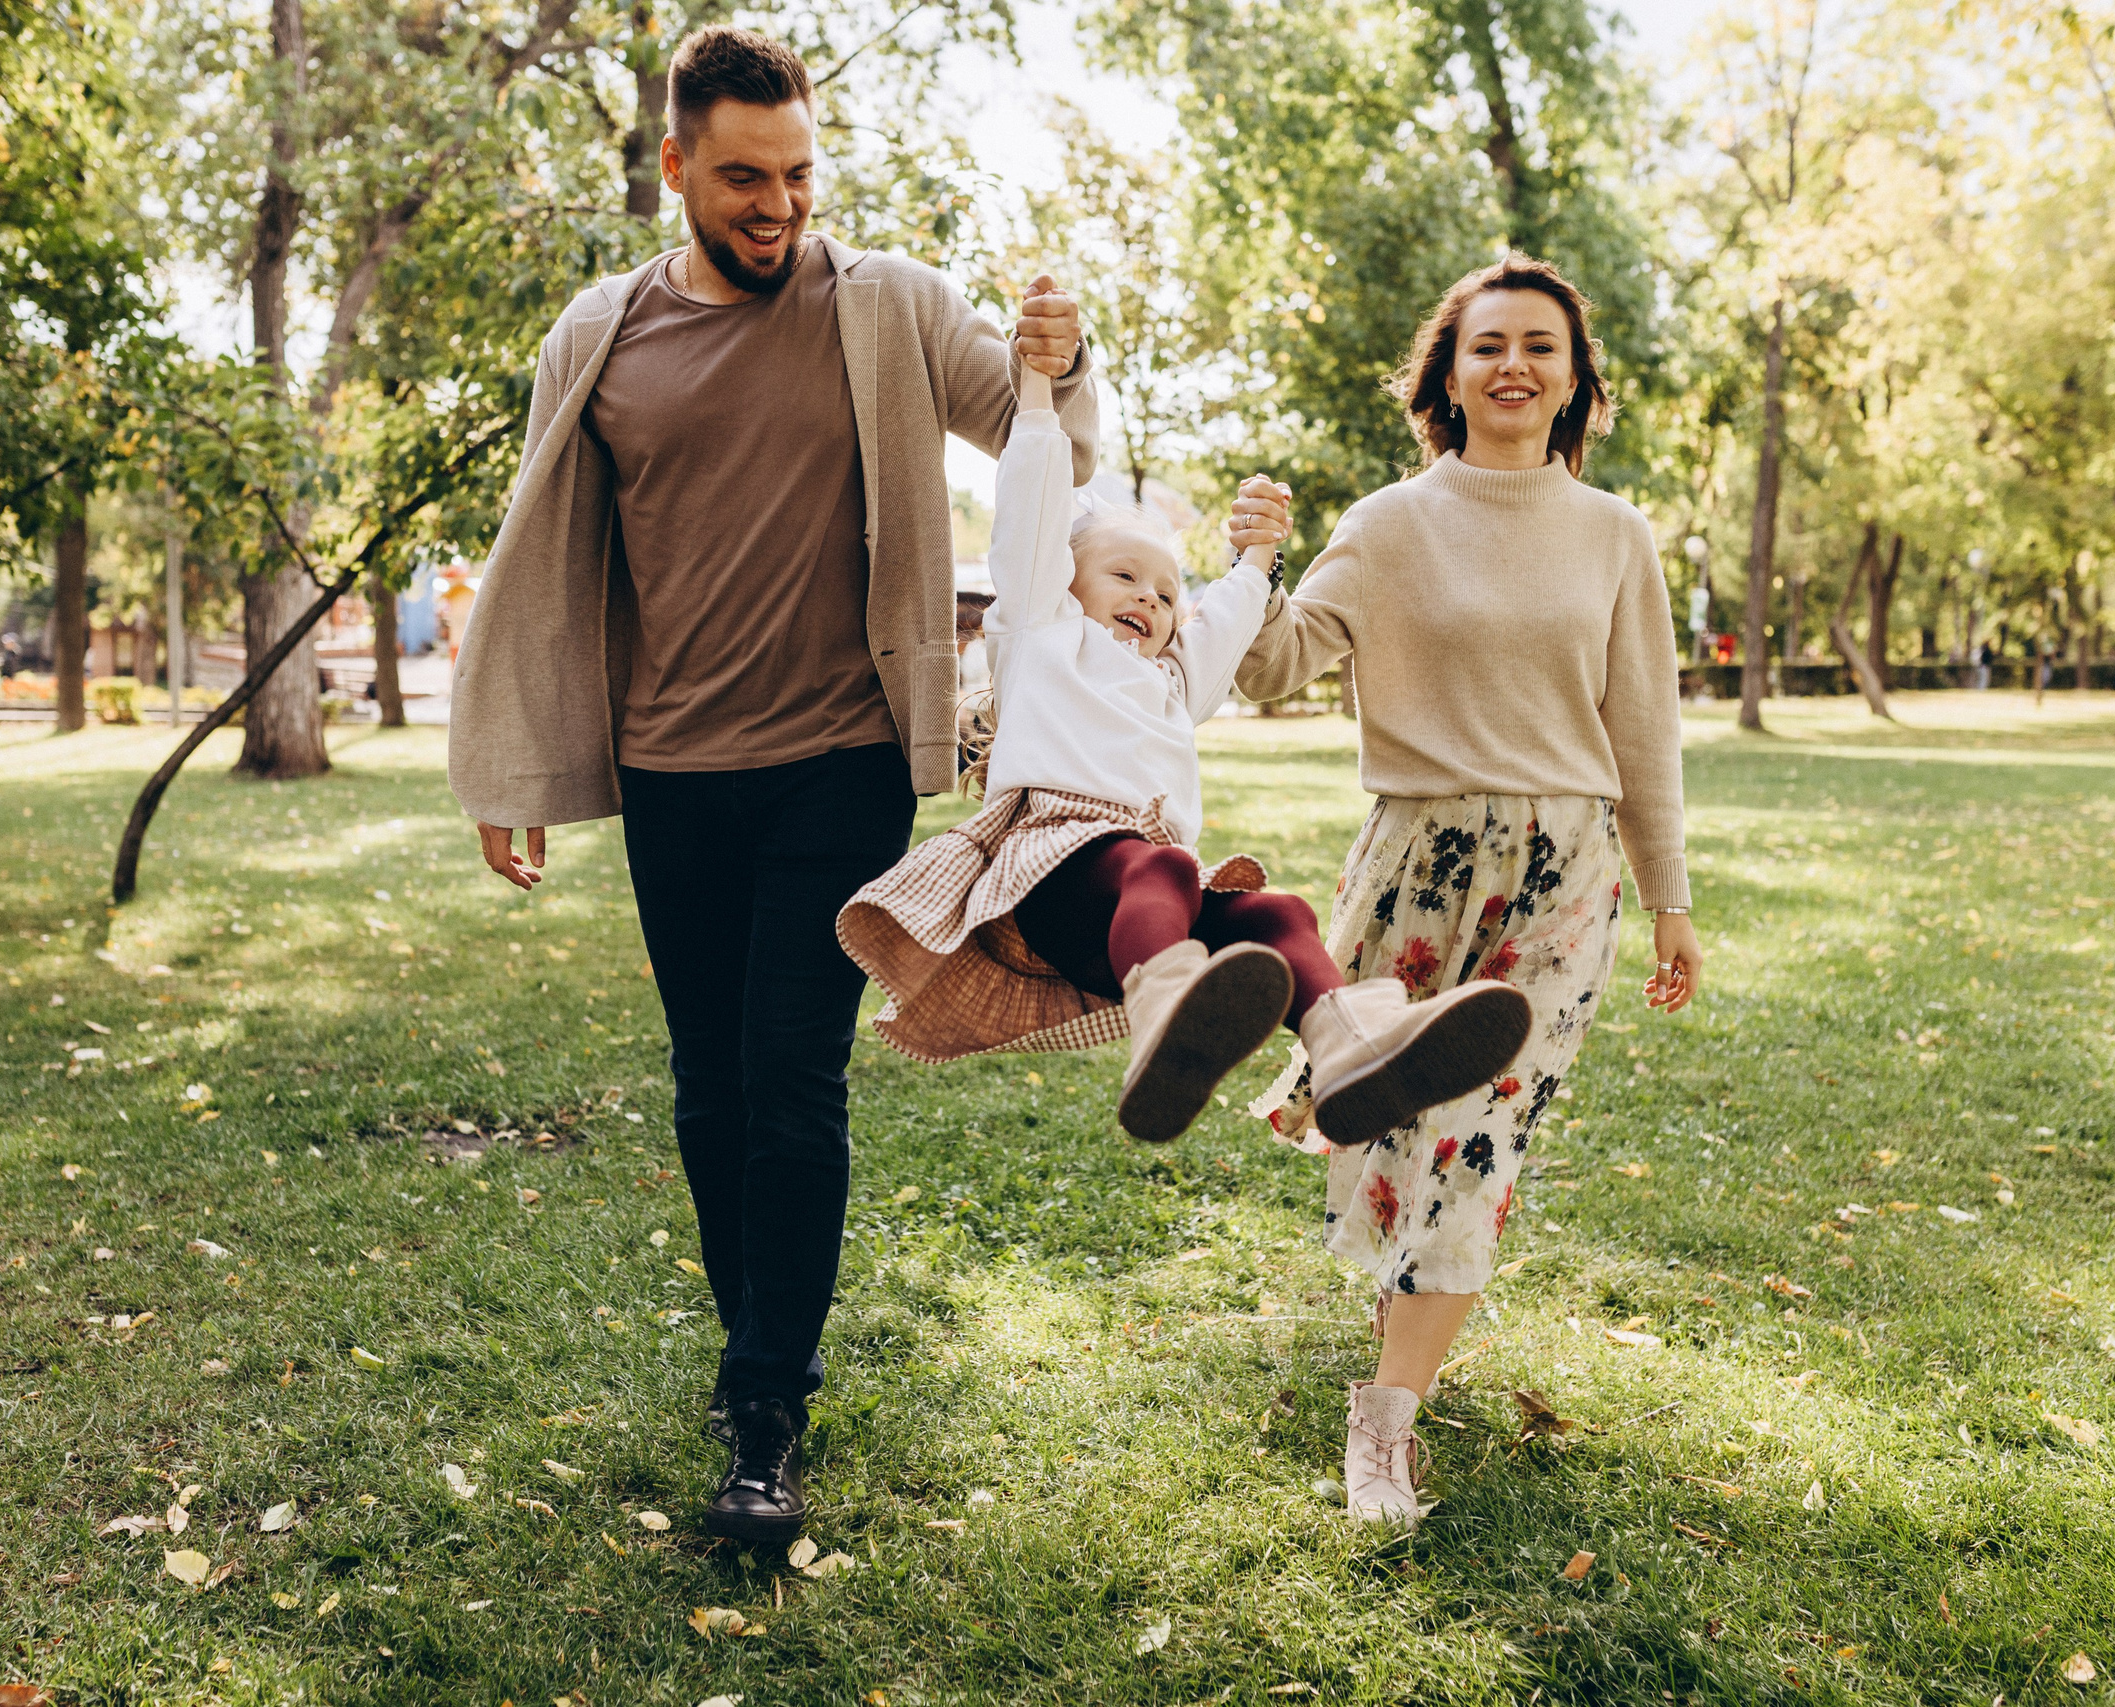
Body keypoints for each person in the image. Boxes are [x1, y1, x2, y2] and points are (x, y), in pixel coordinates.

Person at [448, 25, 1096, 1545]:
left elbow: (1043, 442)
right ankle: (767, 1355)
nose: (778, 204)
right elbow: (544, 561)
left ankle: (761, 1418)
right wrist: (513, 756)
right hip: (675, 775)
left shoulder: (888, 307)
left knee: (792, 1073)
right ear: (673, 165)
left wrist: (1067, 358)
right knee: (709, 1081)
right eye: (743, 176)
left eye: (799, 172)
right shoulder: (601, 336)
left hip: (842, 762)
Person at [1236, 254, 1704, 1525]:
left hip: (1564, 876)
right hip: (1418, 869)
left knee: (1473, 1138)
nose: (1514, 366)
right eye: (1487, 344)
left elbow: (1642, 727)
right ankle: (1393, 1368)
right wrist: (1247, 569)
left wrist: (1668, 895)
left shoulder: (1613, 537)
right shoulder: (1388, 523)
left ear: (1574, 380)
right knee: (1406, 1133)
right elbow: (1273, 667)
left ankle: (1382, 1423)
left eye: (1540, 347)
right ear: (1447, 372)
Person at [839, 363, 1530, 1144]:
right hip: (1055, 881)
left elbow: (1231, 614)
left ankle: (1350, 1043)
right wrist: (1035, 394)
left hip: (1138, 908)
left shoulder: (1174, 684)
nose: (1149, 599)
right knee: (1159, 863)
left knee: (1276, 910)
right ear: (1062, 582)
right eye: (1126, 577)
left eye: (1167, 595)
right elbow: (1029, 509)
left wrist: (1260, 552)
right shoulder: (1041, 634)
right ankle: (1166, 1017)